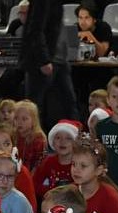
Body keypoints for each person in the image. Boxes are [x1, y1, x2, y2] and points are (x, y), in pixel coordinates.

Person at [20, 0, 79, 129]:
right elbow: (35, 30)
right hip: (45, 60)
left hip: (59, 59)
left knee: (68, 103)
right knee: (36, 107)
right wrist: (44, 59)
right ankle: (34, 137)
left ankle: (74, 134)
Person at [32, 120, 80, 201]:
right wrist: (49, 192)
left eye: (68, 138)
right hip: (51, 202)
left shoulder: (79, 164)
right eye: (58, 138)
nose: (62, 142)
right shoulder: (48, 161)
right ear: (53, 142)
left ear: (75, 143)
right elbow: (35, 182)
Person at [13, 99, 47, 172]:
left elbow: (39, 164)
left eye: (24, 119)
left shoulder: (38, 139)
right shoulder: (13, 135)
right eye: (16, 118)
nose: (19, 122)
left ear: (33, 120)